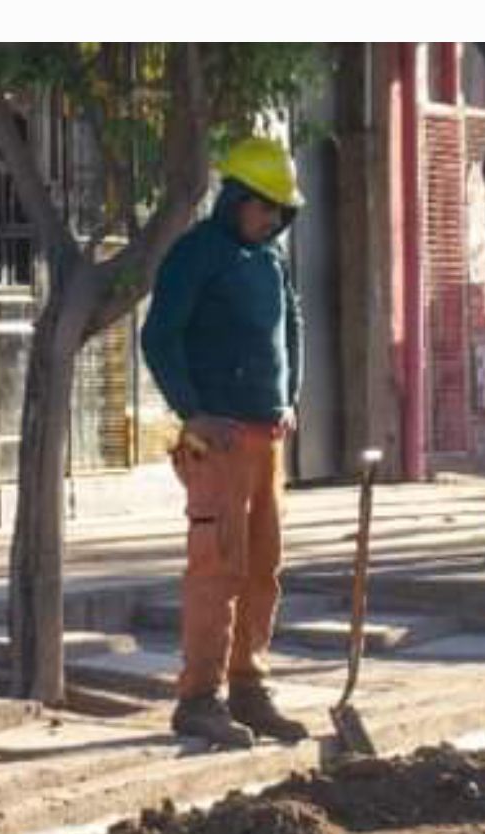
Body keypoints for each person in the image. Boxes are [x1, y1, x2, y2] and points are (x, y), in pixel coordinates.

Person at [141, 135, 309, 751]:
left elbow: (294, 329)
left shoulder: (270, 260)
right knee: (218, 568)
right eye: (262, 206)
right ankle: (198, 697)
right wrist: (192, 413)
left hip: (267, 440)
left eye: (280, 210)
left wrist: (292, 400)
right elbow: (159, 338)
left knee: (264, 568)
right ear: (234, 198)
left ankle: (248, 687)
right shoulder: (197, 254)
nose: (271, 219)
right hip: (218, 443)